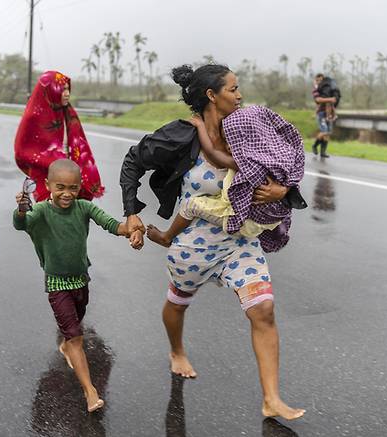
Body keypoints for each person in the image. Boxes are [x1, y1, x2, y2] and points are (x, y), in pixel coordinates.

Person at [120, 64, 305, 420]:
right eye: (233, 89)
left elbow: (283, 167)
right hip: (194, 243)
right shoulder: (181, 134)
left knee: (263, 310)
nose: (240, 95)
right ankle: (176, 350)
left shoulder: (250, 129)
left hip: (239, 242)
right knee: (178, 302)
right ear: (211, 95)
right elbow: (133, 160)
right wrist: (131, 212)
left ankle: (271, 399)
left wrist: (283, 190)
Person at [13, 159, 142, 413]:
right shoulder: (41, 211)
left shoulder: (83, 207)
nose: (66, 193)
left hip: (81, 280)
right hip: (57, 282)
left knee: (77, 320)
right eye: (60, 187)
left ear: (80, 186)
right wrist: (20, 209)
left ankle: (67, 343)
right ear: (48, 184)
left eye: (72, 188)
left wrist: (133, 231)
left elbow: (113, 225)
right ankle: (90, 391)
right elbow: (22, 224)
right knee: (76, 337)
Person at [146, 105, 307, 254]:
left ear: (248, 139)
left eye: (231, 140)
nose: (228, 147)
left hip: (246, 221)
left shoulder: (247, 163)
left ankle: (166, 237)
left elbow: (213, 153)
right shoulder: (273, 158)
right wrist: (285, 190)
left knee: (191, 205)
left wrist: (201, 126)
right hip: (269, 218)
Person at [15, 70, 104, 202]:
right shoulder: (33, 117)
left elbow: (78, 145)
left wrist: (71, 168)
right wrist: (54, 161)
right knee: (50, 217)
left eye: (68, 89)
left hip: (71, 175)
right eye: (62, 90)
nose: (67, 94)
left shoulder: (68, 113)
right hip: (46, 177)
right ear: (50, 91)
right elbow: (22, 151)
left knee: (75, 217)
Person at [311, 73, 338, 158]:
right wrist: (330, 99)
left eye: (321, 80)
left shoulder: (328, 89)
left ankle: (323, 152)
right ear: (315, 81)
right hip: (321, 113)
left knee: (328, 133)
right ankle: (314, 146)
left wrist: (334, 113)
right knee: (324, 131)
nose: (320, 82)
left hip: (329, 113)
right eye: (318, 80)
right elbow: (318, 100)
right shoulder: (316, 90)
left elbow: (332, 103)